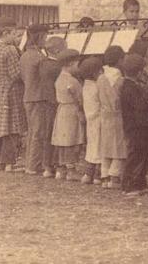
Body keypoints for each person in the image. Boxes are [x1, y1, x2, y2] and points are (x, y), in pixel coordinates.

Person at [0, 16, 27, 172]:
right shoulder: (10, 50)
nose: (16, 37)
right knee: (12, 128)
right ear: (6, 33)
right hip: (11, 92)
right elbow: (16, 74)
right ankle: (9, 162)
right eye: (14, 33)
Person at [119, 53, 148, 196]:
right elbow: (140, 105)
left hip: (142, 125)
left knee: (144, 154)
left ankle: (140, 182)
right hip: (135, 127)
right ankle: (128, 186)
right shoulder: (128, 87)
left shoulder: (132, 85)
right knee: (135, 154)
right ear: (139, 72)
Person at [20, 24, 50, 175]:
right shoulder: (38, 56)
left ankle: (31, 163)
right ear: (38, 37)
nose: (46, 39)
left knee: (33, 131)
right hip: (38, 97)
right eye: (44, 36)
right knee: (38, 132)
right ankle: (33, 165)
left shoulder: (25, 54)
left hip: (29, 96)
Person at [51, 49, 85, 181]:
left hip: (62, 110)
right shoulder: (72, 81)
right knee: (71, 139)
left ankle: (61, 169)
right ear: (70, 64)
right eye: (77, 64)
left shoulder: (59, 78)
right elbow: (79, 97)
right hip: (71, 110)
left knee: (62, 140)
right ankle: (71, 170)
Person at [98, 46, 128, 189]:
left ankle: (104, 176)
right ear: (120, 60)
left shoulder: (101, 77)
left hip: (104, 115)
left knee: (106, 145)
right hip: (117, 115)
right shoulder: (120, 80)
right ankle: (114, 176)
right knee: (119, 146)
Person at [37, 36, 66, 178]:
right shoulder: (57, 67)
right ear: (57, 50)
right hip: (55, 103)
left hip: (45, 102)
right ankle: (54, 164)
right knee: (56, 133)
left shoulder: (43, 63)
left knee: (47, 133)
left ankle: (46, 165)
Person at [79, 56, 104, 185]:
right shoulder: (96, 86)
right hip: (99, 119)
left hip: (90, 119)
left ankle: (87, 174)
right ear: (94, 73)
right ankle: (98, 176)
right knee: (100, 146)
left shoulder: (85, 86)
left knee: (91, 146)